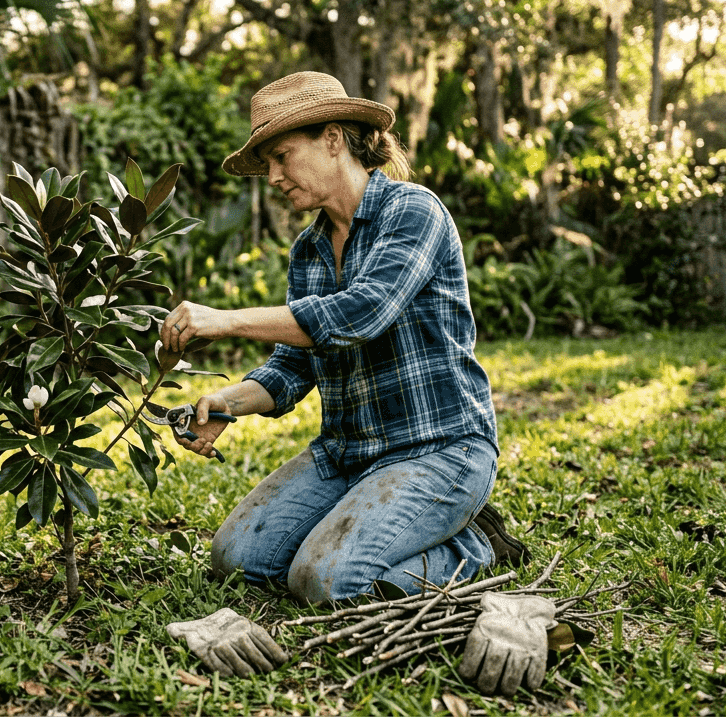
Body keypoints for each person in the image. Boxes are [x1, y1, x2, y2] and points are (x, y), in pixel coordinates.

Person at [159, 72, 528, 605]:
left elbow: (361, 313)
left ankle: (473, 546)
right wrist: (224, 403)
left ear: (333, 139)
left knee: (327, 581)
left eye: (282, 156)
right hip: (347, 454)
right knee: (238, 560)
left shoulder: (413, 211)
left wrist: (227, 319)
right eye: (267, 164)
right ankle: (377, 522)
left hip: (440, 451)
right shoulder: (308, 251)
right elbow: (293, 367)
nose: (273, 176)